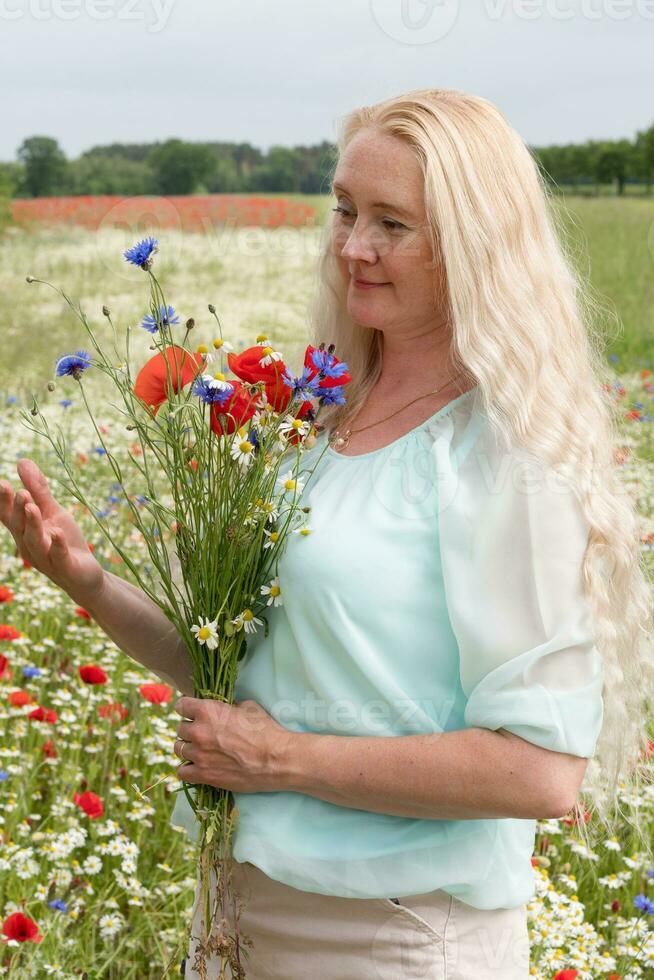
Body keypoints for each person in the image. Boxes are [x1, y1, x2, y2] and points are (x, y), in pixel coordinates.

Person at [1, 88, 652, 980]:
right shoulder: (315, 422)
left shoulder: (506, 455)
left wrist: (281, 760)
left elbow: (540, 771)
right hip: (238, 907)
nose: (352, 247)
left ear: (472, 242)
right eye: (345, 210)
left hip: (397, 937)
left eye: (393, 223)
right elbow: (245, 680)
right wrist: (88, 581)